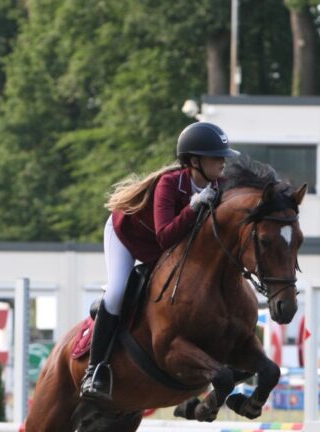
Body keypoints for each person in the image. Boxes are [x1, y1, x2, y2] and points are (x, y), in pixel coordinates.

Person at [80, 121, 238, 401]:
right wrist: (193, 207)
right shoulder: (170, 183)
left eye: (223, 156)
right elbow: (165, 236)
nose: (223, 162)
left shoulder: (219, 185)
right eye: (217, 157)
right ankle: (95, 370)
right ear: (194, 161)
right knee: (118, 290)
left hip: (167, 249)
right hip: (127, 235)